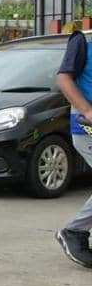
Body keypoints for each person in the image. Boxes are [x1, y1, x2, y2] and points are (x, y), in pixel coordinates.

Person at [54, 30, 92, 267]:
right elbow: (64, 79)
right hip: (87, 126)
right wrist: (87, 110)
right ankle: (74, 231)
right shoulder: (83, 41)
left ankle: (76, 231)